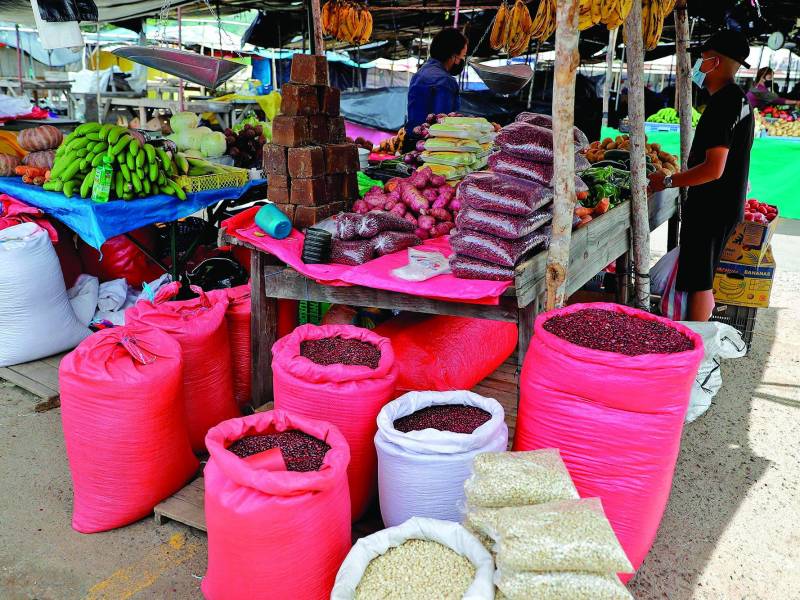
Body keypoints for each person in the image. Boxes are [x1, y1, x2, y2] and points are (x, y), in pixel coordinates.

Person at [648, 31, 755, 322]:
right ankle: (699, 343)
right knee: (703, 276)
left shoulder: (724, 103)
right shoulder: (739, 100)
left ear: (714, 61)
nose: (698, 66)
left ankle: (697, 347)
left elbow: (713, 168)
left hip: (711, 206)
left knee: (699, 281)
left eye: (702, 59)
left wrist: (667, 181)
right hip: (723, 205)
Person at [404, 27, 468, 150]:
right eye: (462, 57)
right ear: (453, 57)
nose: (461, 61)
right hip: (429, 147)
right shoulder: (445, 81)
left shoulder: (420, 73)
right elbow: (443, 124)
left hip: (410, 141)